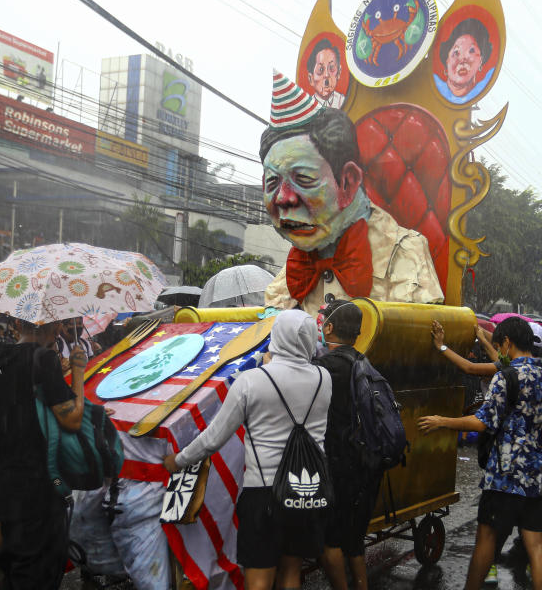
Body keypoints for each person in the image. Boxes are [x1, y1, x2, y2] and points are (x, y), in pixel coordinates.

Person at [163, 310, 332, 590]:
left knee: (259, 576)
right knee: (291, 569)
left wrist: (178, 461)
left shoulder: (251, 381)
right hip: (307, 492)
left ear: (277, 337)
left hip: (263, 493)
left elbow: (213, 438)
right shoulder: (323, 378)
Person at [261, 75, 443, 315]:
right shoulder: (294, 267)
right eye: (272, 182)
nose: (283, 198)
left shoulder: (404, 253)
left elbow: (418, 338)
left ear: (348, 181)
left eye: (304, 178)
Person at [418, 316, 542, 590]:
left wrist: (442, 421)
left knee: (486, 540)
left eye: (498, 345)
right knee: (536, 545)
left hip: (505, 477)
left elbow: (484, 421)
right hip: (539, 476)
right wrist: (482, 338)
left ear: (507, 342)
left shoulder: (505, 378)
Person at [0, 319, 84, 590]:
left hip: (6, 477)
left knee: (15, 559)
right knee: (40, 566)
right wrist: (78, 372)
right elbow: (72, 419)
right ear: (52, 326)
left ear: (18, 323)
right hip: (40, 481)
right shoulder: (45, 359)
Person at [313, 300, 381, 590]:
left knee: (329, 540)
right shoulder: (364, 362)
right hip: (366, 460)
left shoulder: (322, 368)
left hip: (337, 463)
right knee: (353, 538)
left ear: (328, 327)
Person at [433, 17, 494, 103]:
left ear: (481, 60)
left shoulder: (482, 89)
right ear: (446, 61)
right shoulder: (430, 88)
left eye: (471, 51)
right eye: (456, 52)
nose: (463, 60)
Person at [306, 38, 345, 109]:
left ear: (339, 72)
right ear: (311, 78)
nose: (326, 75)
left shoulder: (343, 101)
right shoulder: (308, 107)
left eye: (331, 68)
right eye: (320, 70)